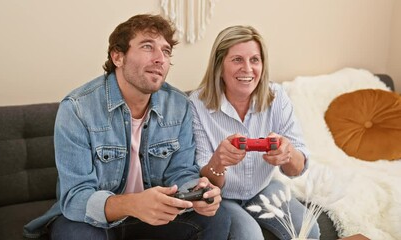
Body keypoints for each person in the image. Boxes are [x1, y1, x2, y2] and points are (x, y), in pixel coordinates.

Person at [23, 14, 230, 240]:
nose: (161, 58)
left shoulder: (179, 105)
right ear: (118, 57)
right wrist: (133, 204)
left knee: (217, 219)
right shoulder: (77, 109)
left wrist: (197, 192)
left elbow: (180, 172)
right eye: (148, 47)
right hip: (97, 222)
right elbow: (75, 198)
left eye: (166, 51)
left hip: (156, 218)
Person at [189, 25, 320, 240]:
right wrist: (219, 161)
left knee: (309, 230)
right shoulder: (196, 105)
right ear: (219, 67)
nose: (248, 69)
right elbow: (205, 181)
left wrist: (287, 154)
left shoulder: (277, 96)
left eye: (255, 60)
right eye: (237, 59)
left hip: (263, 188)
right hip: (223, 197)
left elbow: (298, 168)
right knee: (250, 237)